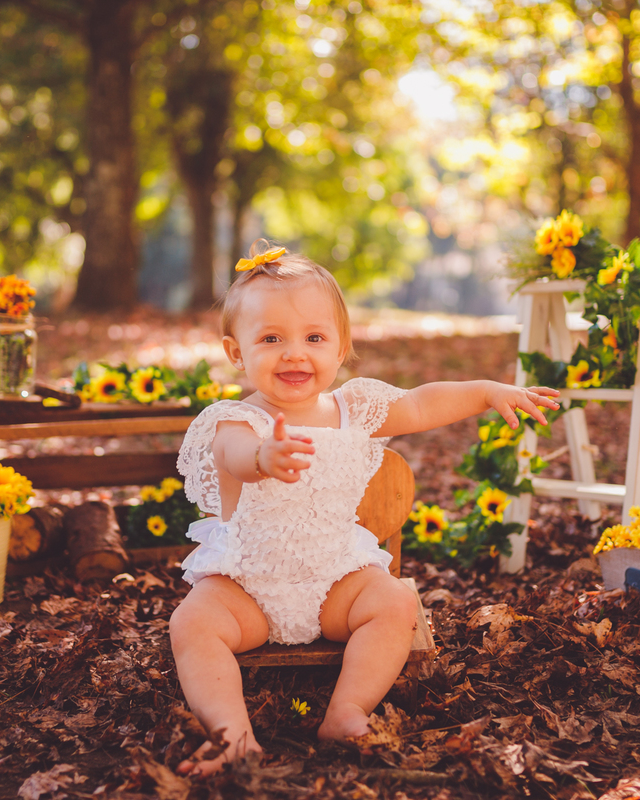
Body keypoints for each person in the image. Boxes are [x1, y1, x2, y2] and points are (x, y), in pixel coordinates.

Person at [169, 240, 560, 776]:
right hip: (249, 586)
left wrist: (485, 391)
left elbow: (423, 402)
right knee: (192, 623)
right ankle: (232, 733)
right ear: (236, 352)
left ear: (340, 345)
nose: (294, 352)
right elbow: (234, 458)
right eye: (270, 338)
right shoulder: (236, 421)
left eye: (313, 337)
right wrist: (263, 455)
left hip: (335, 581)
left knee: (396, 604)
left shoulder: (354, 409)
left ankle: (347, 711)